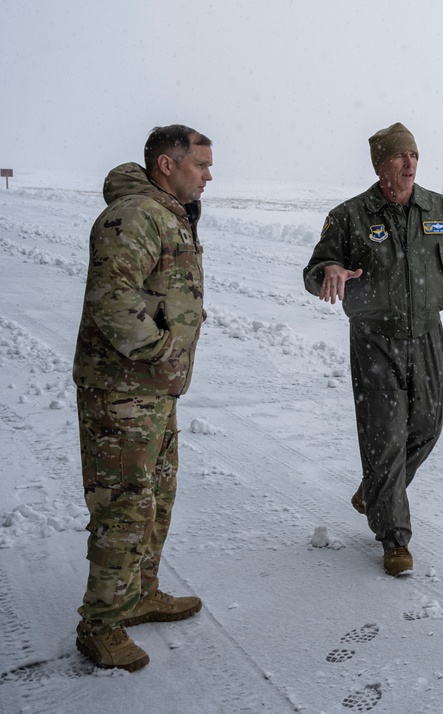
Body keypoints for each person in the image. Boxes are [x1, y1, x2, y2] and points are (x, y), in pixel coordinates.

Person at [303, 122, 443, 576]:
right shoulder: (350, 216)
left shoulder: (441, 210)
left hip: (426, 336)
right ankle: (394, 538)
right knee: (385, 436)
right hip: (373, 338)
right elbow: (315, 268)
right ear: (381, 166)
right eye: (400, 157)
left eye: (415, 156)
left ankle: (375, 491)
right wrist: (330, 271)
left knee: (426, 427)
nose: (410, 164)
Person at [72, 124, 213, 671]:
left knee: (157, 496)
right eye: (200, 165)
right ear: (166, 166)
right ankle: (100, 624)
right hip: (122, 391)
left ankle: (138, 594)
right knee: (124, 506)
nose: (208, 175)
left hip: (153, 391)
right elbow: (112, 303)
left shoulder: (168, 212)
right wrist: (161, 349)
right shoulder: (133, 215)